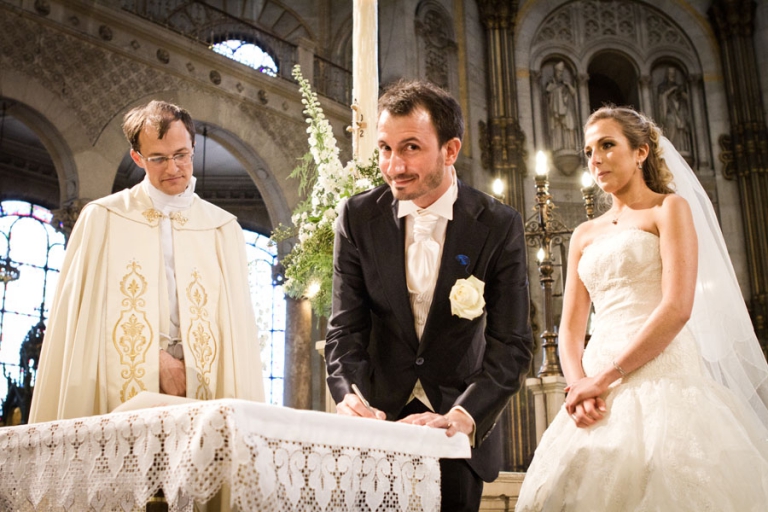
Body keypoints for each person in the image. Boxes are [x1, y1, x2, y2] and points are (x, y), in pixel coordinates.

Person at [516, 106, 768, 511]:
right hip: (594, 386)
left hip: (661, 370)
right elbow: (568, 330)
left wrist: (607, 377)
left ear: (641, 152)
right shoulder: (583, 233)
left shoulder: (668, 210)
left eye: (607, 145)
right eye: (587, 151)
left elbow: (677, 308)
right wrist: (579, 387)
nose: (595, 158)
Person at [325, 80, 533, 512]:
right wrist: (349, 396)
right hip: (376, 428)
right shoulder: (357, 217)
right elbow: (345, 329)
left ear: (450, 150)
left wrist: (464, 415)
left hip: (454, 429)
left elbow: (511, 345)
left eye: (411, 148)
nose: (393, 165)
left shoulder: (497, 224)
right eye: (385, 148)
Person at [29, 100, 264, 423]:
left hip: (205, 388)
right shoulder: (103, 219)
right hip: (121, 386)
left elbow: (236, 336)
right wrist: (154, 359)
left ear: (193, 148)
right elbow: (86, 323)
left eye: (182, 155)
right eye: (158, 158)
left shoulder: (222, 228)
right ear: (137, 158)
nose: (173, 168)